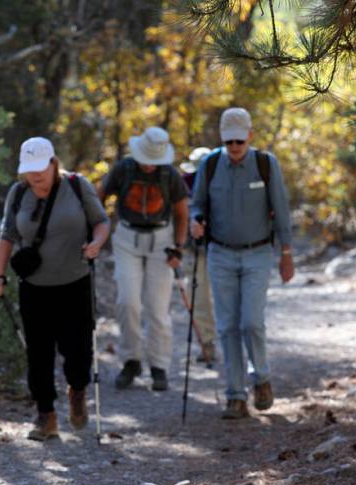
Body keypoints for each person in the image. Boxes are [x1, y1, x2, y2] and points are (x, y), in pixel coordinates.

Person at [0, 137, 109, 441]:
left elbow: (101, 222)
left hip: (75, 283)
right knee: (39, 355)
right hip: (34, 288)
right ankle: (46, 416)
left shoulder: (77, 186)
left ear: (54, 163)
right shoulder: (18, 194)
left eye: (40, 169)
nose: (35, 176)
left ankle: (77, 390)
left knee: (77, 350)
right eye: (29, 170)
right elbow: (7, 234)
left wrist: (96, 244)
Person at [189, 107, 295, 419]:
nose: (234, 147)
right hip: (220, 254)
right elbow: (198, 203)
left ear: (250, 135)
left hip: (258, 253)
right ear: (222, 140)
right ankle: (235, 395)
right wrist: (197, 221)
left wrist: (286, 253)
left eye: (239, 140)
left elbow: (282, 208)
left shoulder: (265, 164)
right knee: (227, 327)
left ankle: (260, 377)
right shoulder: (209, 165)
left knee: (251, 321)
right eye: (229, 141)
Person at [97, 127, 190, 391]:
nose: (149, 165)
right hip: (127, 237)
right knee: (127, 302)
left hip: (162, 240)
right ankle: (131, 361)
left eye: (154, 160)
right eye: (146, 159)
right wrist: (96, 229)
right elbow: (98, 197)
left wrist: (178, 247)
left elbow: (182, 212)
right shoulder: (123, 169)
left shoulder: (169, 175)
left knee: (157, 307)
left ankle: (159, 366)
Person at [180, 146, 217, 363]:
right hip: (197, 249)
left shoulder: (225, 180)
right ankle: (207, 344)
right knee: (199, 295)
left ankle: (223, 344)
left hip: (223, 247)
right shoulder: (185, 182)